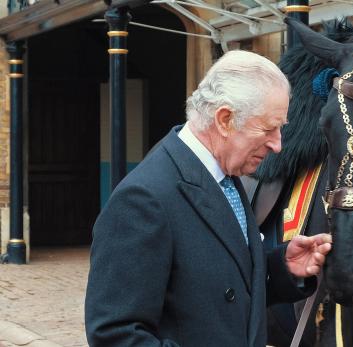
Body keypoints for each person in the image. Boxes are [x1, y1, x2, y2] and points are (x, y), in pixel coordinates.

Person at [85, 50, 332, 347]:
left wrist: (282, 268)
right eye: (268, 129)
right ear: (225, 119)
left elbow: (216, 285)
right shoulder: (142, 200)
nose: (278, 145)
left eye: (281, 128)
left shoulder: (226, 176)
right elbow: (115, 335)